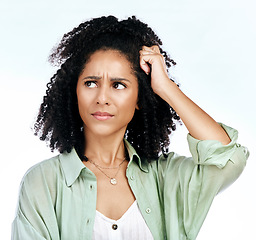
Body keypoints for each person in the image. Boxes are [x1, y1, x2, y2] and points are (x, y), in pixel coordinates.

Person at [11, 15, 249, 240]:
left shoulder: (165, 178)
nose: (102, 97)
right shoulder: (43, 182)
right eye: (91, 83)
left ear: (139, 99)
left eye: (118, 85)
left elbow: (228, 158)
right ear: (75, 92)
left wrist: (166, 87)